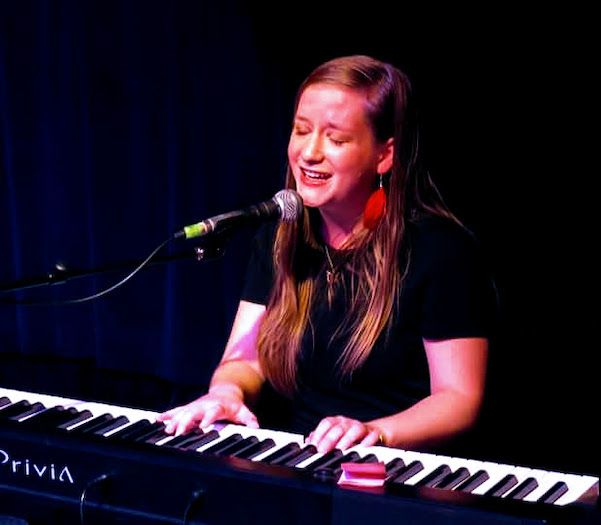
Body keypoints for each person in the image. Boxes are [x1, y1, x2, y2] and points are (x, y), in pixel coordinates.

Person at [158, 55, 495, 454]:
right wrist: (226, 393)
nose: (309, 152)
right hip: (303, 458)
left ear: (384, 155)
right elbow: (246, 362)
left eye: (335, 139)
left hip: (397, 464)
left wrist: (375, 432)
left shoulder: (438, 249)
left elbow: (457, 398)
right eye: (301, 131)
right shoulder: (279, 237)